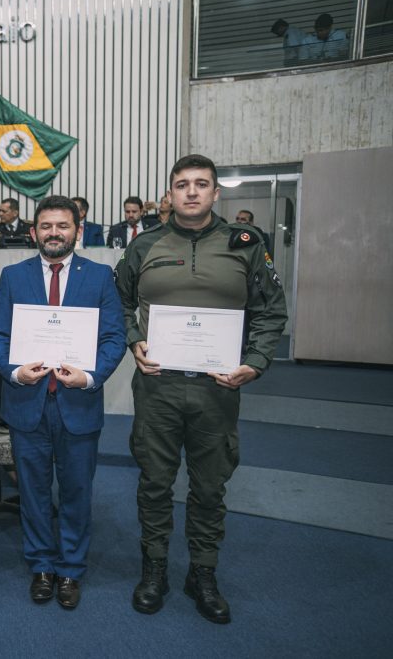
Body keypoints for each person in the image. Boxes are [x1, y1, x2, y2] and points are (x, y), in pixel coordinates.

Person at [115, 155, 287, 624]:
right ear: (169, 194)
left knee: (210, 486)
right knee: (154, 483)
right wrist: (135, 341)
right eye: (181, 185)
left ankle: (203, 573)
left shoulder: (246, 244)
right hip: (158, 386)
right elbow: (119, 301)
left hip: (218, 388)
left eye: (201, 184)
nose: (191, 192)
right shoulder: (144, 244)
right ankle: (154, 570)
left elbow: (272, 310)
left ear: (216, 193)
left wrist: (254, 363)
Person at [0, 196, 126, 608]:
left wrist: (91, 376)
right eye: (46, 226)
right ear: (34, 232)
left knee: (76, 492)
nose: (54, 233)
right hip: (27, 404)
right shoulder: (14, 276)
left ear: (77, 231)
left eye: (62, 226)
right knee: (32, 493)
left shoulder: (100, 277)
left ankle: (70, 570)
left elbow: (114, 337)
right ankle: (41, 566)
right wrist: (14, 371)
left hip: (78, 404)